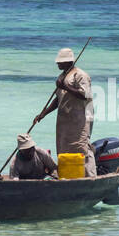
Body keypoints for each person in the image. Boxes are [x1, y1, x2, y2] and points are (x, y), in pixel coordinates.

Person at [34, 47, 97, 177]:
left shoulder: (80, 75)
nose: (57, 63)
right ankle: (70, 176)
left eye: (60, 62)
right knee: (64, 148)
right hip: (65, 120)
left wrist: (65, 86)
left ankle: (90, 177)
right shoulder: (62, 76)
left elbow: (84, 95)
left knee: (81, 146)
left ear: (68, 62)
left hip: (80, 118)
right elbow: (58, 99)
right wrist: (43, 114)